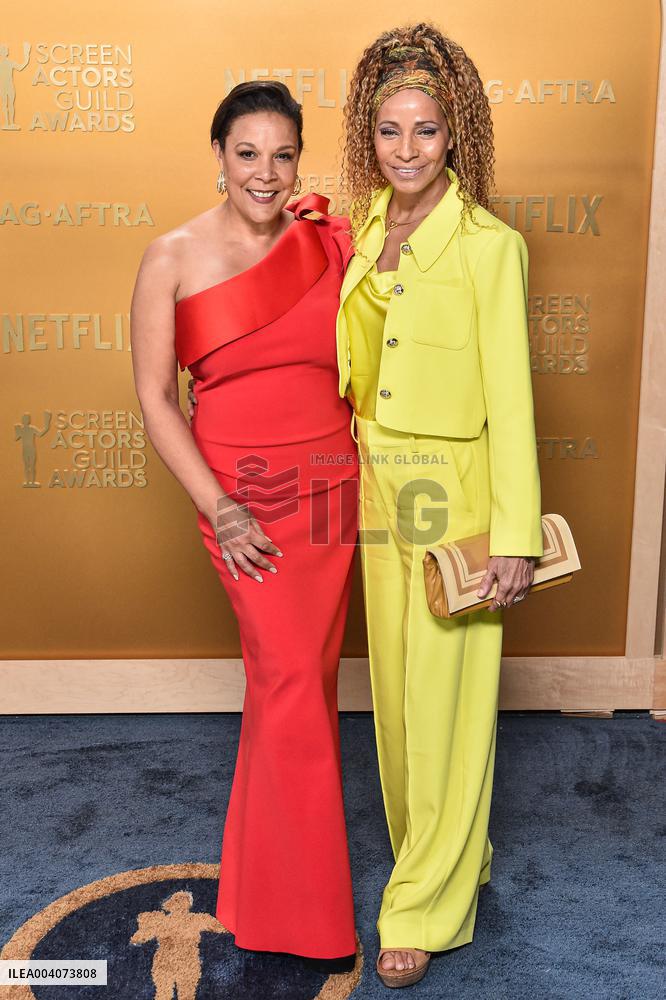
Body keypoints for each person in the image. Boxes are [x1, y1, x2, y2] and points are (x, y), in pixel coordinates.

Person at [130, 80, 359, 963]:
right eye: (247, 152)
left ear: (300, 156)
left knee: (295, 685)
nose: (266, 172)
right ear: (219, 154)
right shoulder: (173, 254)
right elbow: (155, 398)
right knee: (292, 678)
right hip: (240, 498)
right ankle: (309, 924)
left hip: (332, 486)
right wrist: (219, 506)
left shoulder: (328, 242)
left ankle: (261, 890)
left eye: (284, 153)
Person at [337, 23, 544, 987]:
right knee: (398, 706)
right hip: (383, 482)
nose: (408, 150)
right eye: (390, 131)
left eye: (426, 131)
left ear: (455, 136)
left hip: (455, 488)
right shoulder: (368, 228)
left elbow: (513, 395)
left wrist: (513, 538)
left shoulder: (490, 246)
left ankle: (420, 904)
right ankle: (449, 857)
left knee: (450, 703)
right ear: (367, 137)